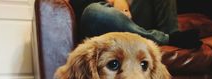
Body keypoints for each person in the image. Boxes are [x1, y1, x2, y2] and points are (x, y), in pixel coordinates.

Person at [69, 0, 203, 49]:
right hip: (100, 24)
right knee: (95, 12)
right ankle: (167, 39)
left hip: (133, 22)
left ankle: (172, 34)